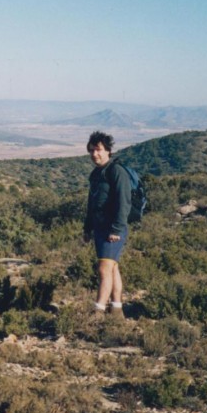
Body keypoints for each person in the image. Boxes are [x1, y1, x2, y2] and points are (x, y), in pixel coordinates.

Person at [83, 130, 131, 317]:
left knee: (104, 268)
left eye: (99, 150)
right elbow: (91, 203)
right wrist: (88, 228)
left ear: (108, 150)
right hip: (100, 228)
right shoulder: (96, 174)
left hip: (113, 229)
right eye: (92, 150)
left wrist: (117, 229)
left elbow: (123, 202)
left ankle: (98, 311)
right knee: (112, 268)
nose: (95, 154)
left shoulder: (116, 171)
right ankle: (117, 310)